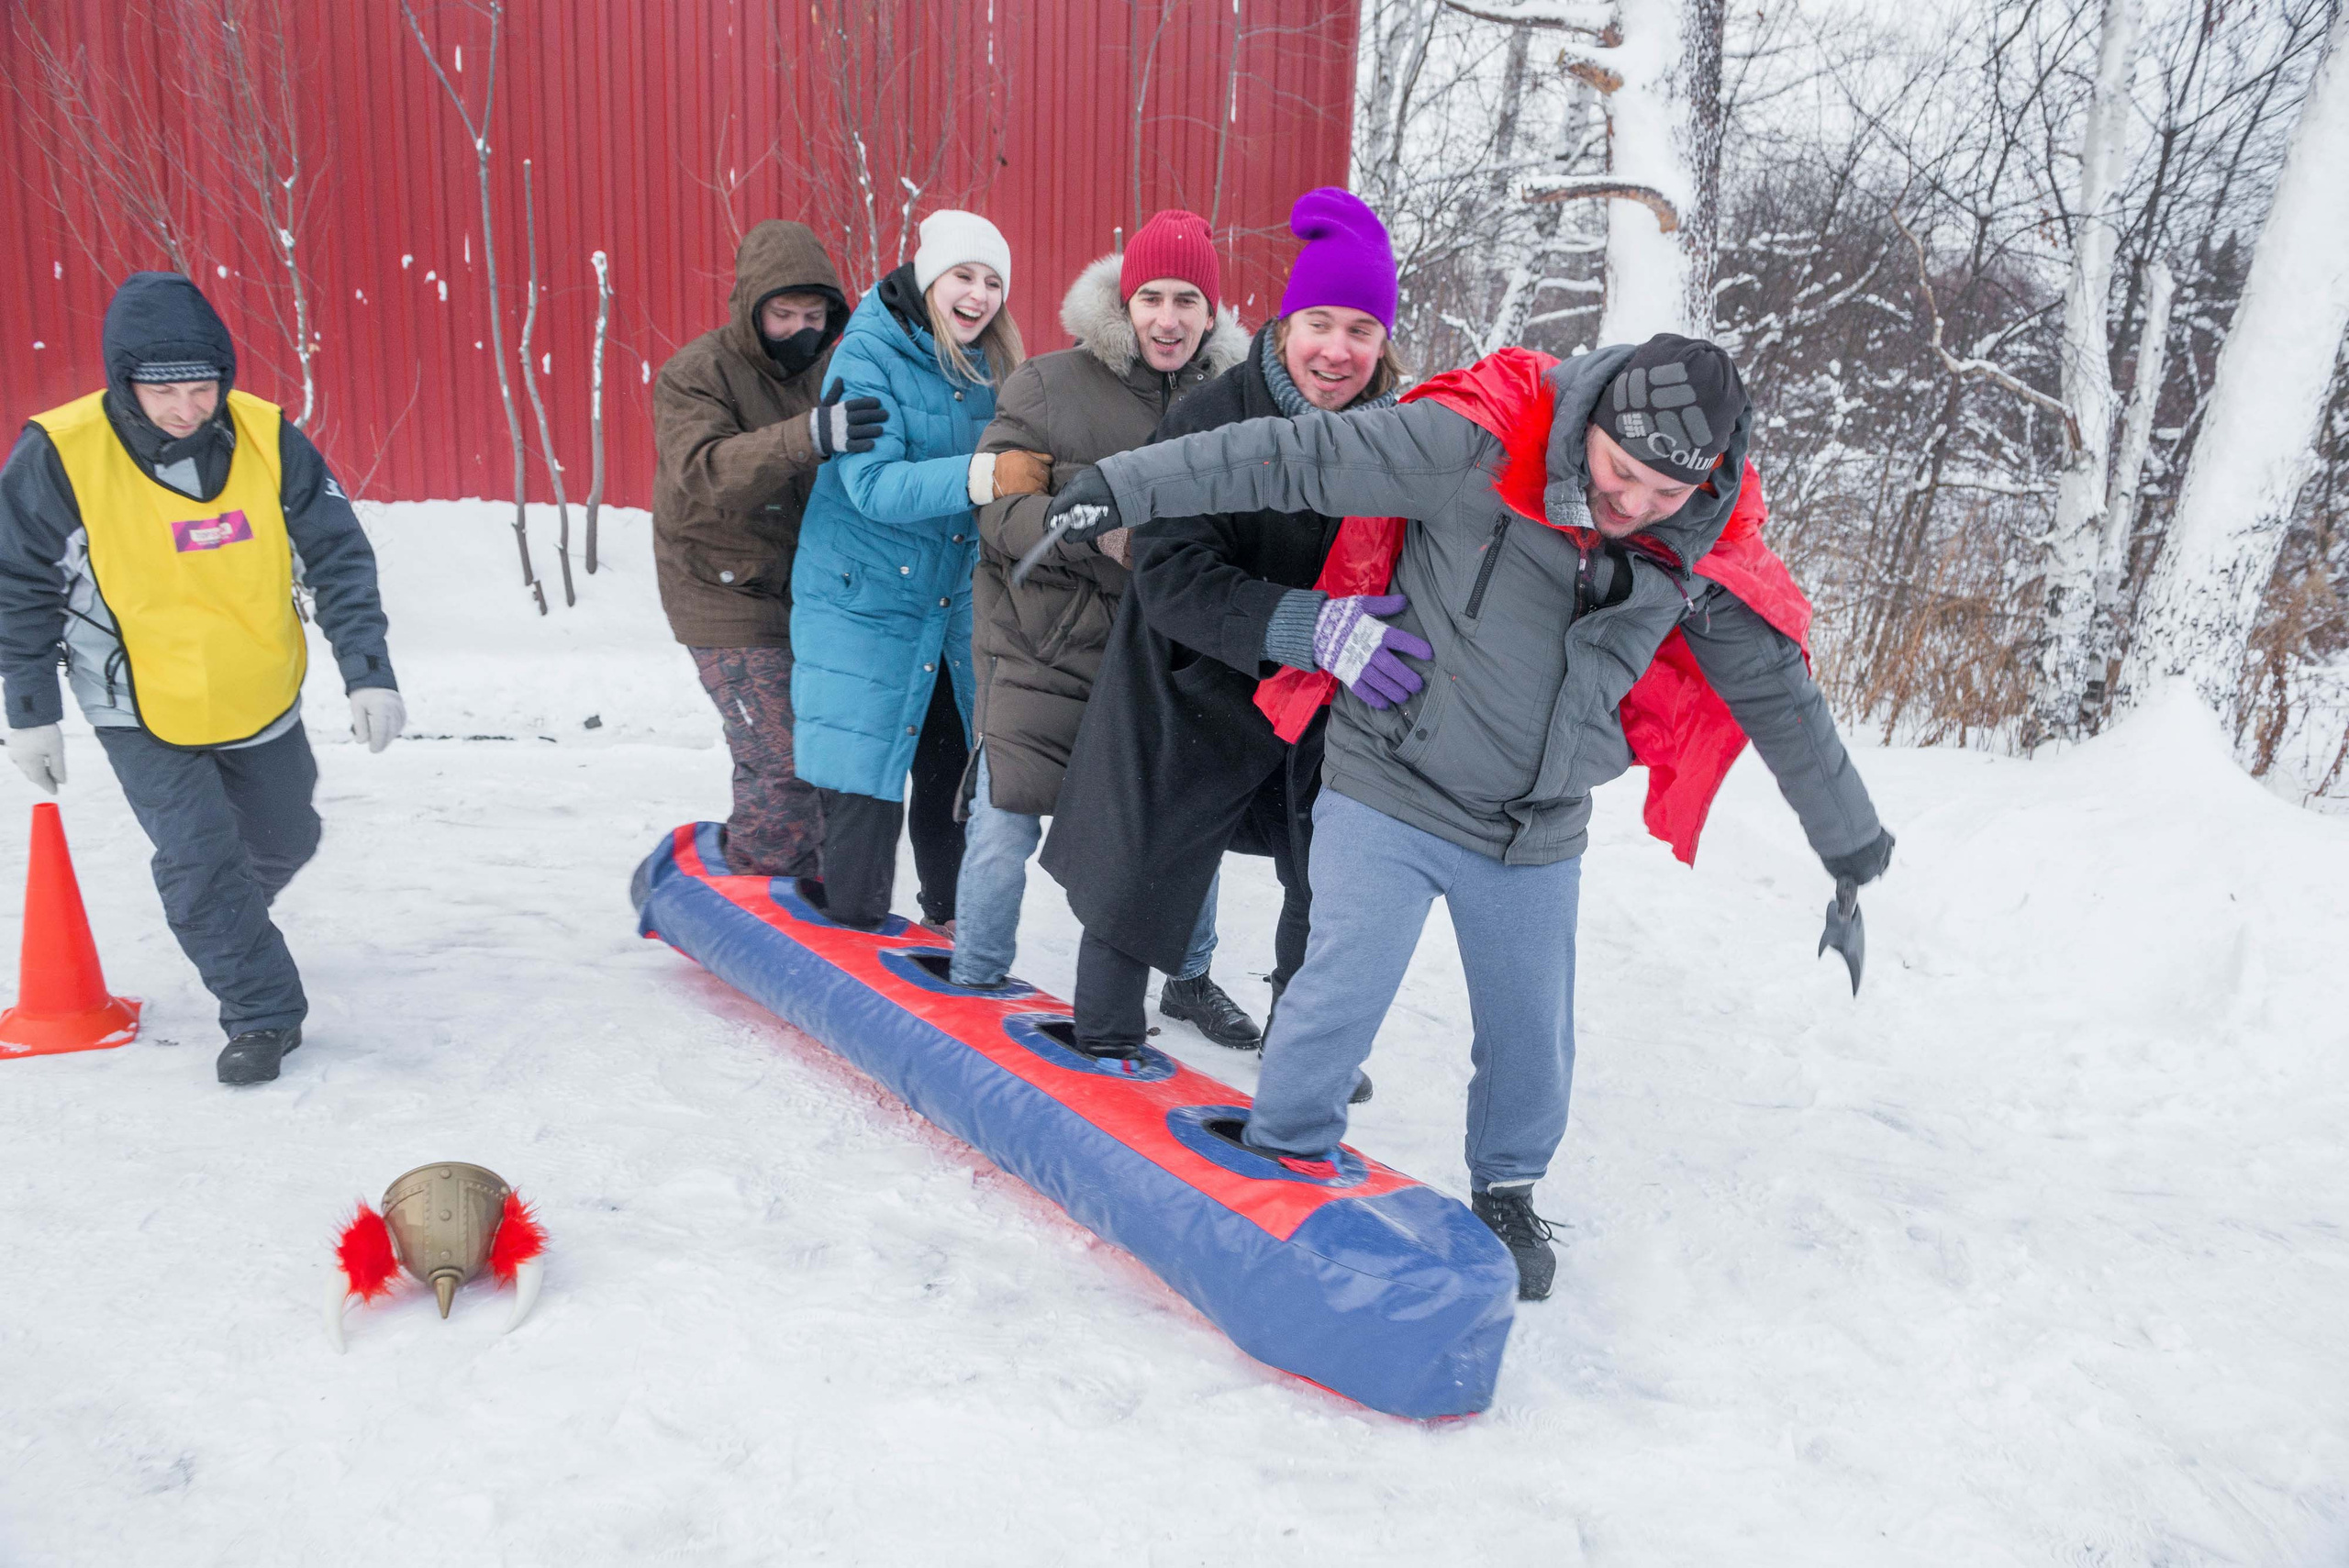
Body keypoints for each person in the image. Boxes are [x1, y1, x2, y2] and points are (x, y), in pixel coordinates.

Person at [1041, 331, 1897, 1300]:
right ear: (1596, 424)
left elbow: (1780, 697)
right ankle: (1280, 1158)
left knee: (1533, 1030)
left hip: (1533, 825)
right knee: (1337, 990)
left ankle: (1508, 1187)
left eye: (1666, 492)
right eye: (1622, 475)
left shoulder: (1696, 547)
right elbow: (1294, 455)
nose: (1634, 506)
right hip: (1390, 777)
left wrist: (1851, 840)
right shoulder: (1479, 444)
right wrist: (1126, 483)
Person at [0, 271, 404, 1086]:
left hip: (256, 686)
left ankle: (218, 916)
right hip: (135, 700)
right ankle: (261, 1010)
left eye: (203, 386)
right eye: (166, 392)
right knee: (200, 857)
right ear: (124, 385)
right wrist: (31, 707)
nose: (189, 407)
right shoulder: (62, 452)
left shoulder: (267, 434)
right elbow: (18, 580)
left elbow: (337, 553)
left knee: (288, 836)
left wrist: (368, 672)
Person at [1040, 187, 1405, 1082]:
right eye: (1320, 320)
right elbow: (1166, 570)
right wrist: (1299, 624)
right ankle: (1106, 1036)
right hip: (1189, 676)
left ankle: (1302, 1035)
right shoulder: (1214, 417)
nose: (1337, 348)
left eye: (1362, 328)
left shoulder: (1395, 437)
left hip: (1315, 695)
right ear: (1286, 323)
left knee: (1324, 871)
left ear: (1383, 343)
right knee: (1142, 863)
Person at [950, 208, 1254, 1041]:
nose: (1168, 318)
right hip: (1045, 643)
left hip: (1160, 652)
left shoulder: (1231, 403)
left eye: (1187, 299)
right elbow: (1000, 510)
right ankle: (972, 977)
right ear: (1124, 302)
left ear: (1211, 311)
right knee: (1007, 811)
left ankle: (1188, 979)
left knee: (1186, 814)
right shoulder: (1047, 384)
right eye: (1151, 296)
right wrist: (1103, 530)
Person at [789, 211, 1022, 931]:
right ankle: (850, 929)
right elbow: (875, 487)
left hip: (948, 607)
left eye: (992, 282)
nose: (978, 295)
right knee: (867, 782)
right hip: (865, 604)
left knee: (952, 775)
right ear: (929, 279)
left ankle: (946, 928)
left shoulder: (994, 367)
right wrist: (985, 475)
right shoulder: (868, 353)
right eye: (963, 276)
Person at [653, 219, 883, 881]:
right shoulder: (695, 374)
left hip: (812, 591)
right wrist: (809, 434)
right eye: (783, 314)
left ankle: (806, 886)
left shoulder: (833, 369)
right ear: (752, 307)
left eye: (815, 315)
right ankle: (765, 892)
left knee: (830, 756)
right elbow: (704, 469)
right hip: (721, 588)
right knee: (781, 757)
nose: (800, 330)